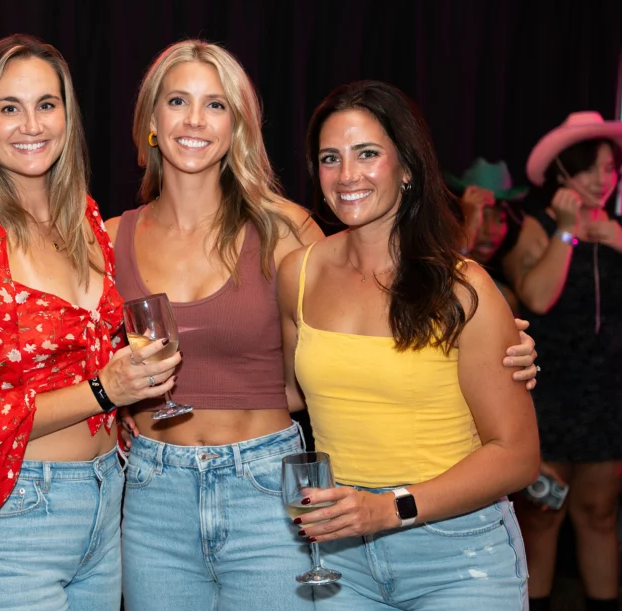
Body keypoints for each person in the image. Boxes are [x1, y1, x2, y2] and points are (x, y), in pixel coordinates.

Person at [108, 41, 539, 611]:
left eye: (215, 104)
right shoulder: (107, 238)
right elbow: (74, 358)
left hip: (273, 487)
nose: (193, 119)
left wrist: (507, 347)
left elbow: (367, 328)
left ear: (238, 124)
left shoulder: (288, 233)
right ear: (151, 121)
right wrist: (113, 407)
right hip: (161, 492)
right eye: (178, 100)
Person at [0, 35, 178, 611]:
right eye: (8, 107)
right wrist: (103, 390)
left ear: (67, 115)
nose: (30, 124)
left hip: (105, 499)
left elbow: (91, 356)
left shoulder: (82, 215)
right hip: (11, 518)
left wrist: (119, 404)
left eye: (46, 104)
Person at [279, 80, 540, 609]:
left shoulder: (464, 288)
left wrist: (389, 508)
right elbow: (285, 396)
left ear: (408, 169)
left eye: (367, 154)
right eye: (331, 158)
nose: (347, 175)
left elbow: (518, 456)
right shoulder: (298, 274)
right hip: (340, 556)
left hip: (458, 554)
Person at [502, 111, 622, 611]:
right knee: (542, 514)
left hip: (606, 393)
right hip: (547, 393)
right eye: (591, 168)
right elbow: (536, 296)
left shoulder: (618, 231)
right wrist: (567, 234)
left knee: (598, 513)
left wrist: (616, 240)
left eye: (611, 168)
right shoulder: (536, 227)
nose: (603, 179)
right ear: (562, 174)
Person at [446, 158, 528, 313]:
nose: (491, 230)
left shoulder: (503, 297)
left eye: (500, 219)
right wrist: (468, 229)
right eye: (481, 217)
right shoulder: (432, 272)